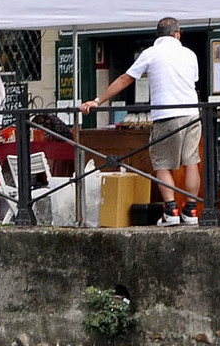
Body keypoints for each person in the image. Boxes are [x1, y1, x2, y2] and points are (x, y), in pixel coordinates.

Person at [80, 17, 201, 226]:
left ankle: (171, 210)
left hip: (166, 114)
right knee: (191, 162)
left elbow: (126, 79)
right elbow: (193, 81)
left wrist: (99, 100)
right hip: (191, 113)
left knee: (162, 164)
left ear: (158, 35)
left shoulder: (151, 53)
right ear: (177, 34)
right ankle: (191, 210)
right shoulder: (189, 54)